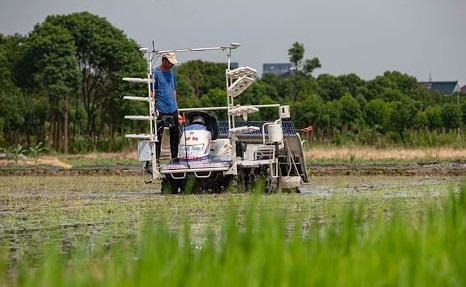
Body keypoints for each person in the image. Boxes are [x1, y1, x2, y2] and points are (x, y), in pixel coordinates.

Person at [151, 52, 180, 161]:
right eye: (170, 63)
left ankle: (175, 157)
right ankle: (156, 159)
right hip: (160, 108)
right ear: (164, 61)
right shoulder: (155, 73)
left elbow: (173, 90)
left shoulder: (172, 73)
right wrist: (153, 107)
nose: (172, 65)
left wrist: (176, 107)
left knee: (175, 134)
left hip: (172, 108)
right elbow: (151, 92)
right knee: (158, 134)